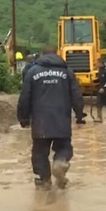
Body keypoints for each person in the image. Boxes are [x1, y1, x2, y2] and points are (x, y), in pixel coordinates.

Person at [17, 46, 86, 190]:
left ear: (42, 55)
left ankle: (44, 182)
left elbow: (24, 97)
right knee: (64, 147)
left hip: (40, 123)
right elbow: (76, 96)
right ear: (57, 54)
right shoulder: (67, 72)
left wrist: (23, 118)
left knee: (39, 152)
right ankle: (60, 162)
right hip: (62, 120)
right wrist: (79, 116)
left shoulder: (32, 72)